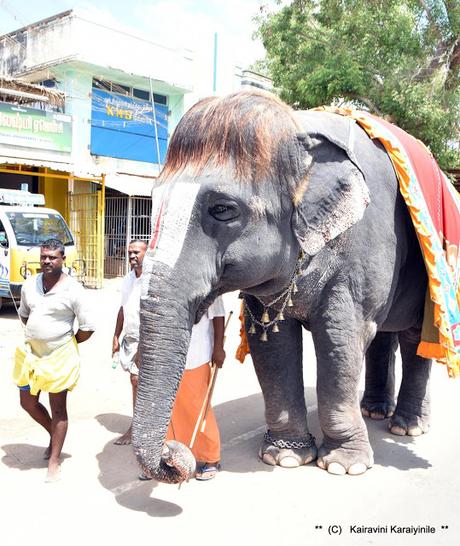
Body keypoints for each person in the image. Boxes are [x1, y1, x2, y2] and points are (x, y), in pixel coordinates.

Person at [13, 238, 95, 482]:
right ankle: (54, 434)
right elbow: (25, 316)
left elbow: (88, 328)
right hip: (31, 355)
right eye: (44, 256)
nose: (47, 261)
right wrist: (40, 337)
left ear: (63, 259)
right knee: (27, 402)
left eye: (52, 257)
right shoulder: (30, 285)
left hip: (60, 356)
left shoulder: (73, 289)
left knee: (58, 407)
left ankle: (54, 461)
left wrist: (64, 343)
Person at [164, 296, 226, 481]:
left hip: (196, 355)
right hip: (170, 355)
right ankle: (175, 456)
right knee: (171, 410)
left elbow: (218, 315)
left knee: (198, 407)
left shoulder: (208, 282)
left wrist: (219, 348)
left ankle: (210, 457)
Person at [112, 239, 147, 445]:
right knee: (135, 382)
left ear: (146, 254)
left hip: (149, 339)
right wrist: (116, 335)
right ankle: (139, 426)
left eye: (136, 252)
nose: (132, 256)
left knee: (138, 381)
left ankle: (138, 428)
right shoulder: (128, 279)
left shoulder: (152, 280)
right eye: (129, 253)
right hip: (130, 338)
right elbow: (123, 309)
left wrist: (145, 343)